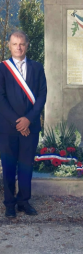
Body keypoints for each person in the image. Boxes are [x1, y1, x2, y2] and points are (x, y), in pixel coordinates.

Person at [0, 30, 47, 219]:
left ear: (27, 45)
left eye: (22, 44)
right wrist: (17, 121)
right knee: (9, 166)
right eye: (14, 44)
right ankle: (10, 203)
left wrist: (29, 119)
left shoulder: (37, 67)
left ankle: (23, 201)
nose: (18, 47)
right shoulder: (2, 68)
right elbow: (0, 98)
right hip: (7, 128)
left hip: (31, 126)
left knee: (26, 166)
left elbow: (42, 95)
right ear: (8, 46)